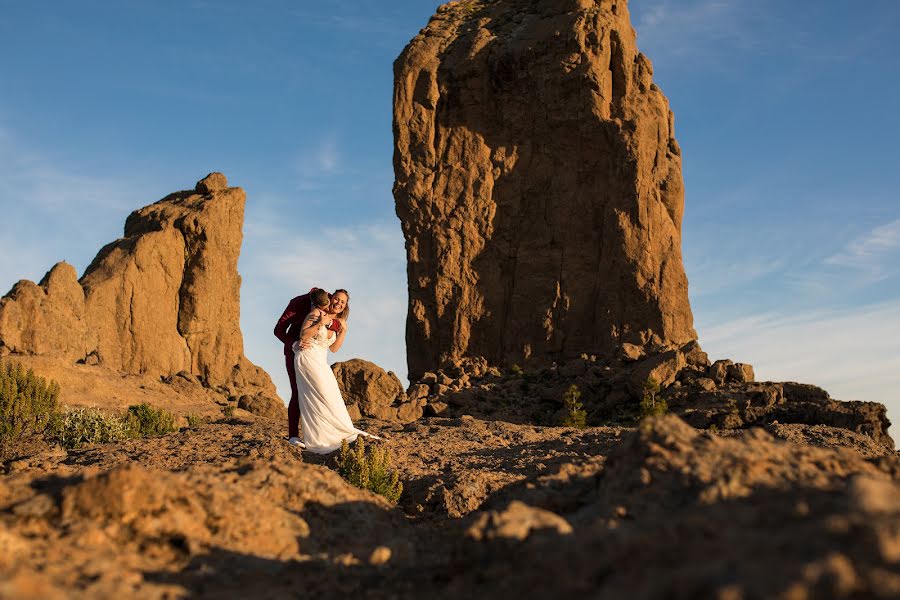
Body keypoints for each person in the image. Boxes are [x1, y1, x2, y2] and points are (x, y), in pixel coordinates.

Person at [290, 288, 378, 452]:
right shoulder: (317, 312)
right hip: (308, 357)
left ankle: (336, 434)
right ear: (331, 299)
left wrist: (344, 331)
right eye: (336, 299)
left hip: (321, 361)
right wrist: (319, 324)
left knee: (332, 398)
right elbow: (303, 335)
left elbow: (335, 348)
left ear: (345, 306)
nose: (338, 303)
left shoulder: (338, 323)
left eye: (342, 302)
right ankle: (318, 438)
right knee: (319, 396)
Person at [274, 287, 343, 441]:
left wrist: (329, 322)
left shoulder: (331, 298)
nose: (324, 310)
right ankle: (293, 435)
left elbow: (338, 321)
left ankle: (323, 432)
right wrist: (293, 344)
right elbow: (278, 329)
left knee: (323, 393)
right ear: (311, 303)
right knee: (297, 391)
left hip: (317, 356)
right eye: (321, 308)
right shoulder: (296, 303)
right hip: (294, 352)